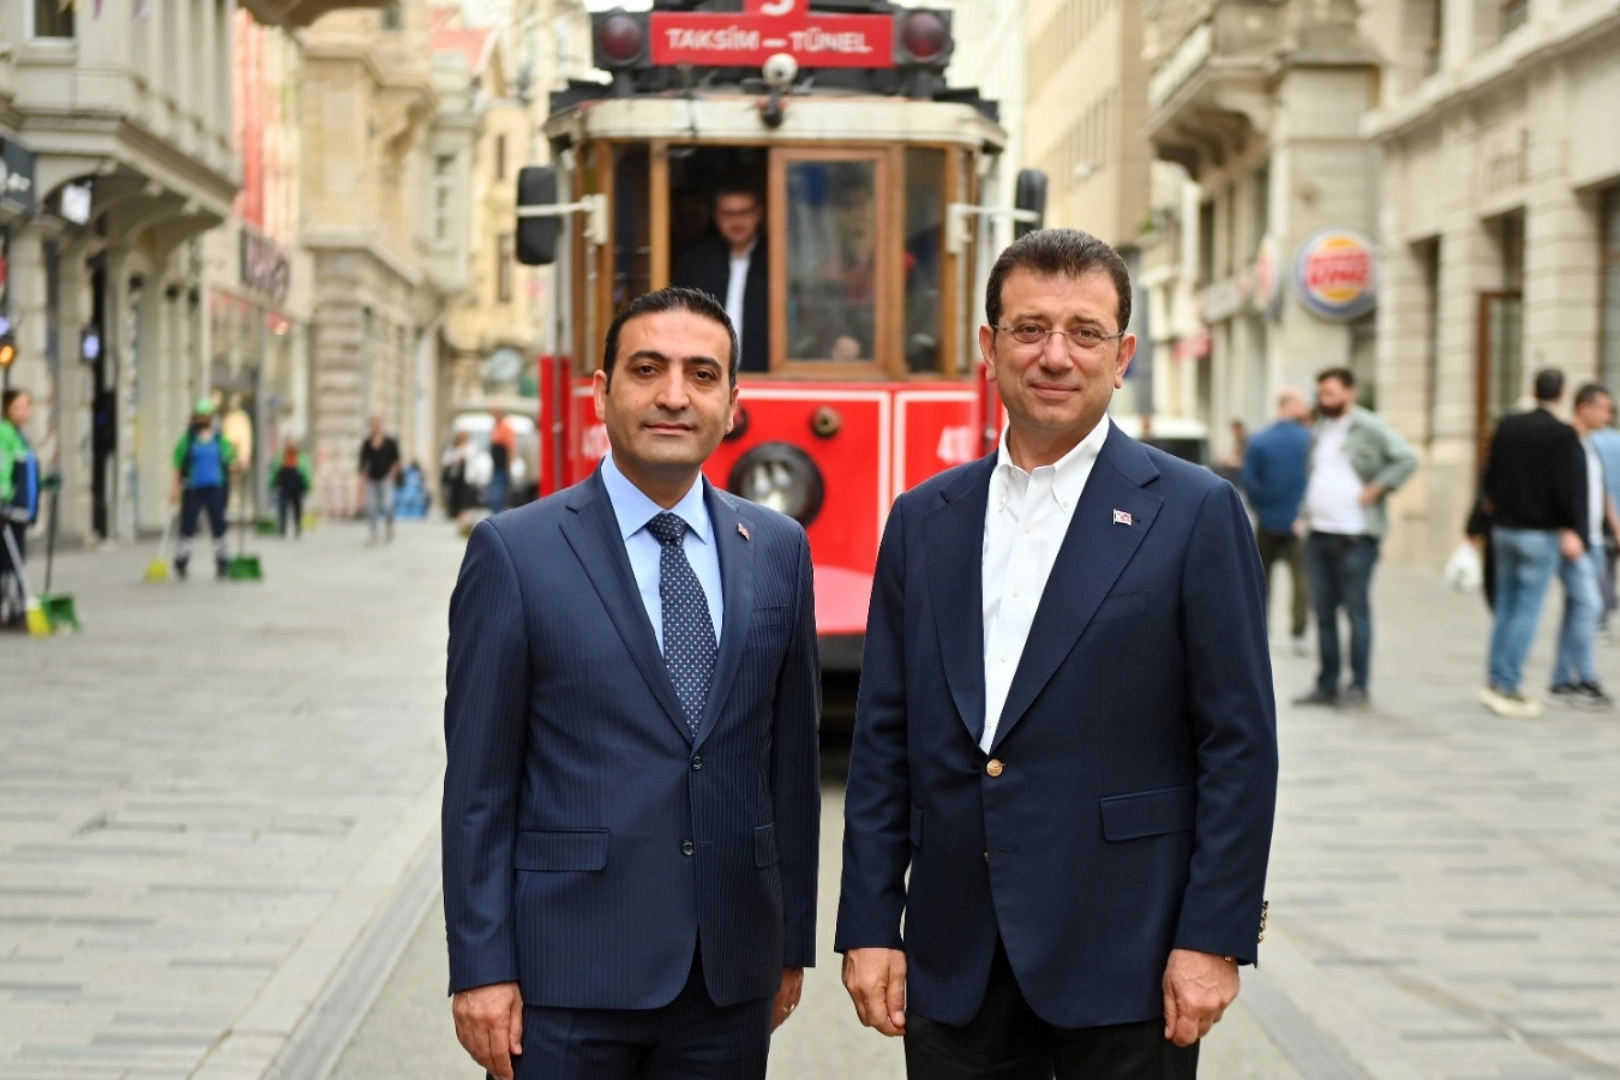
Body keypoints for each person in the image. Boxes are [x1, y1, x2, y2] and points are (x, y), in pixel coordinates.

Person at [836, 229, 1278, 1080]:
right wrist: (868, 922)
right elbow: (884, 739)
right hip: (955, 960)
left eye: (1085, 332)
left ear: (1123, 356)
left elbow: (1239, 745)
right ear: (989, 346)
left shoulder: (1196, 513)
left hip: (1128, 959)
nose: (1055, 355)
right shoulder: (924, 517)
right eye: (1030, 328)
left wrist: (1214, 938)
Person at [442, 286, 821, 1080]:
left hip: (726, 981)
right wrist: (481, 967)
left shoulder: (778, 548)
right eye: (647, 369)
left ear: (732, 402)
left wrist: (789, 943)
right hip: (564, 977)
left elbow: (789, 766)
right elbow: (479, 785)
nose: (674, 396)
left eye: (702, 374)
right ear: (601, 390)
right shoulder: (516, 552)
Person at [1293, 369, 1418, 709]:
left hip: (1356, 537)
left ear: (1350, 392)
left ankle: (1359, 685)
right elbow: (1317, 474)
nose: (1324, 400)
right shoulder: (1321, 428)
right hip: (1319, 533)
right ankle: (1327, 684)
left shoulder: (1370, 426)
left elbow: (1407, 458)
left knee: (1356, 612)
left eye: (1331, 393)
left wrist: (1378, 487)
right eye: (1321, 393)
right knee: (1323, 613)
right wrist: (1304, 514)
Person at [1479, 369, 1585, 718]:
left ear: (1532, 389)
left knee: (1506, 605)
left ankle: (1495, 678)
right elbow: (1565, 486)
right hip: (1539, 532)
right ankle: (1508, 684)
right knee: (1526, 608)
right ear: (1562, 394)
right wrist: (1570, 525)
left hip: (1504, 529)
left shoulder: (1508, 425)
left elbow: (1490, 476)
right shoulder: (1562, 433)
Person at [1549, 383, 1617, 708]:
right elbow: (1555, 490)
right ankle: (1585, 679)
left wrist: (1615, 526)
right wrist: (1564, 530)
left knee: (1576, 609)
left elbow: (1600, 492)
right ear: (1584, 408)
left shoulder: (1591, 445)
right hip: (1575, 540)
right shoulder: (1565, 441)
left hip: (1594, 540)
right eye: (1604, 408)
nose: (1609, 415)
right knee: (1589, 606)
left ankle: (1562, 681)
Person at [1242, 389, 1314, 655]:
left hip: (1267, 519)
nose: (1306, 408)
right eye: (1302, 403)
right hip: (1298, 520)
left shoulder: (1259, 439)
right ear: (1290, 405)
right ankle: (1299, 633)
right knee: (1301, 579)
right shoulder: (1309, 439)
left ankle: (1261, 629)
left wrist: (1262, 507)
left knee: (1260, 579)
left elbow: (1248, 481)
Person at [671, 183, 770, 373]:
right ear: (716, 216)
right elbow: (677, 320)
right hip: (706, 375)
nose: (737, 222)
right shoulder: (695, 262)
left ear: (758, 214)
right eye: (728, 214)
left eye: (744, 213)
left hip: (766, 376)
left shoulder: (777, 260)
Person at [171, 397, 237, 581]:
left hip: (216, 488)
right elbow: (178, 464)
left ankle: (222, 562)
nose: (201, 420)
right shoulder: (188, 440)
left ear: (210, 418)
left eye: (204, 416)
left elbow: (230, 461)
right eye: (198, 416)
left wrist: (240, 465)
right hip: (193, 488)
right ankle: (181, 561)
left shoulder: (219, 439)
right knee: (188, 525)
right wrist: (174, 489)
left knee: (218, 525)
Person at [0, 389, 40, 630]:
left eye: (26, 407)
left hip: (21, 510)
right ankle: (14, 611)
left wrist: (45, 483)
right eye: (17, 407)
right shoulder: (4, 434)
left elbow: (28, 473)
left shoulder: (21, 436)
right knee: (9, 562)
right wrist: (3, 501)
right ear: (6, 409)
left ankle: (14, 609)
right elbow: (3, 469)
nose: (23, 412)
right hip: (9, 510)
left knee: (14, 561)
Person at [1587, 404, 1620, 637]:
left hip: (1599, 514)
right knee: (1608, 566)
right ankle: (1604, 612)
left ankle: (1600, 617)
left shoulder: (1590, 442)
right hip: (1613, 513)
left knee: (1599, 566)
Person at [357, 415, 401, 545]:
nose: (376, 427)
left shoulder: (390, 442)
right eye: (374, 424)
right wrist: (362, 479)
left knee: (387, 505)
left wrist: (393, 474)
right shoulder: (367, 443)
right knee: (371, 506)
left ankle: (389, 526)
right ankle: (373, 533)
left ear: (382, 425)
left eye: (378, 424)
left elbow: (396, 460)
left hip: (386, 478)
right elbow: (363, 462)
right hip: (372, 478)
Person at [273, 436, 312, 539]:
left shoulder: (302, 457)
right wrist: (273, 483)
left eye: (294, 444)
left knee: (297, 507)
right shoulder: (281, 456)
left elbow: (307, 472)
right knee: (282, 507)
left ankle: (297, 526)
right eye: (290, 444)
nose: (292, 446)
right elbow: (275, 471)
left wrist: (308, 486)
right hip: (284, 485)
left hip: (296, 485)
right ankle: (282, 527)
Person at [440, 430, 477, 529]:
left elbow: (470, 457)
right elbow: (448, 460)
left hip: (466, 478)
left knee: (465, 499)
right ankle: (458, 517)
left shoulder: (471, 447)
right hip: (456, 478)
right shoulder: (454, 449)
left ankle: (464, 519)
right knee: (456, 498)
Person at [487, 406, 516, 513]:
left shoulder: (505, 428)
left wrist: (508, 464)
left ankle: (498, 511)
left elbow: (510, 447)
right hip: (496, 464)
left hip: (502, 464)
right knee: (496, 488)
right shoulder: (496, 427)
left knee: (499, 490)